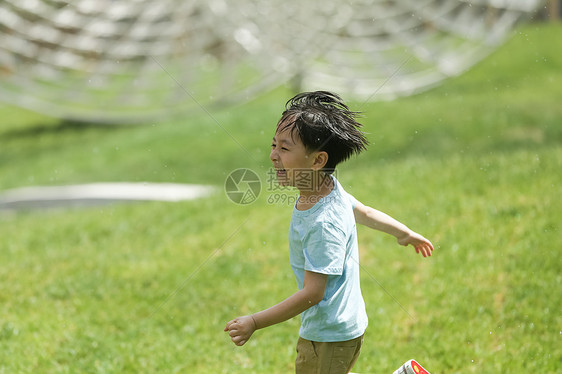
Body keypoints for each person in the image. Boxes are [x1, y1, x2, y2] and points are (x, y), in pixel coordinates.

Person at [224, 91, 434, 374]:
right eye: (274, 145)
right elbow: (365, 212)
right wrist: (403, 233)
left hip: (328, 334)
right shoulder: (330, 189)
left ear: (317, 161)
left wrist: (255, 322)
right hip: (341, 328)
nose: (273, 156)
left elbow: (313, 293)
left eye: (285, 149)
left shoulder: (323, 223)